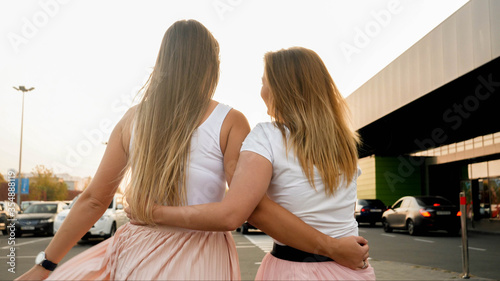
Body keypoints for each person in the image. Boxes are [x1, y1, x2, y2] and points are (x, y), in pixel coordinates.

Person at [15, 21, 367, 281]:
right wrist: (330, 245)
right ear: (211, 66)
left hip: (138, 250)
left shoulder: (133, 119)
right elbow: (248, 206)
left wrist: (45, 265)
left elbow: (93, 199)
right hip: (204, 253)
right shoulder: (231, 120)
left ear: (163, 61)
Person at [127, 47, 376, 280]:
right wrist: (336, 247)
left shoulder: (267, 136)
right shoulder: (344, 144)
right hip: (353, 269)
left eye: (263, 82)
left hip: (295, 271)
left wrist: (152, 212)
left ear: (282, 89)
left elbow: (240, 212)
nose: (261, 91)